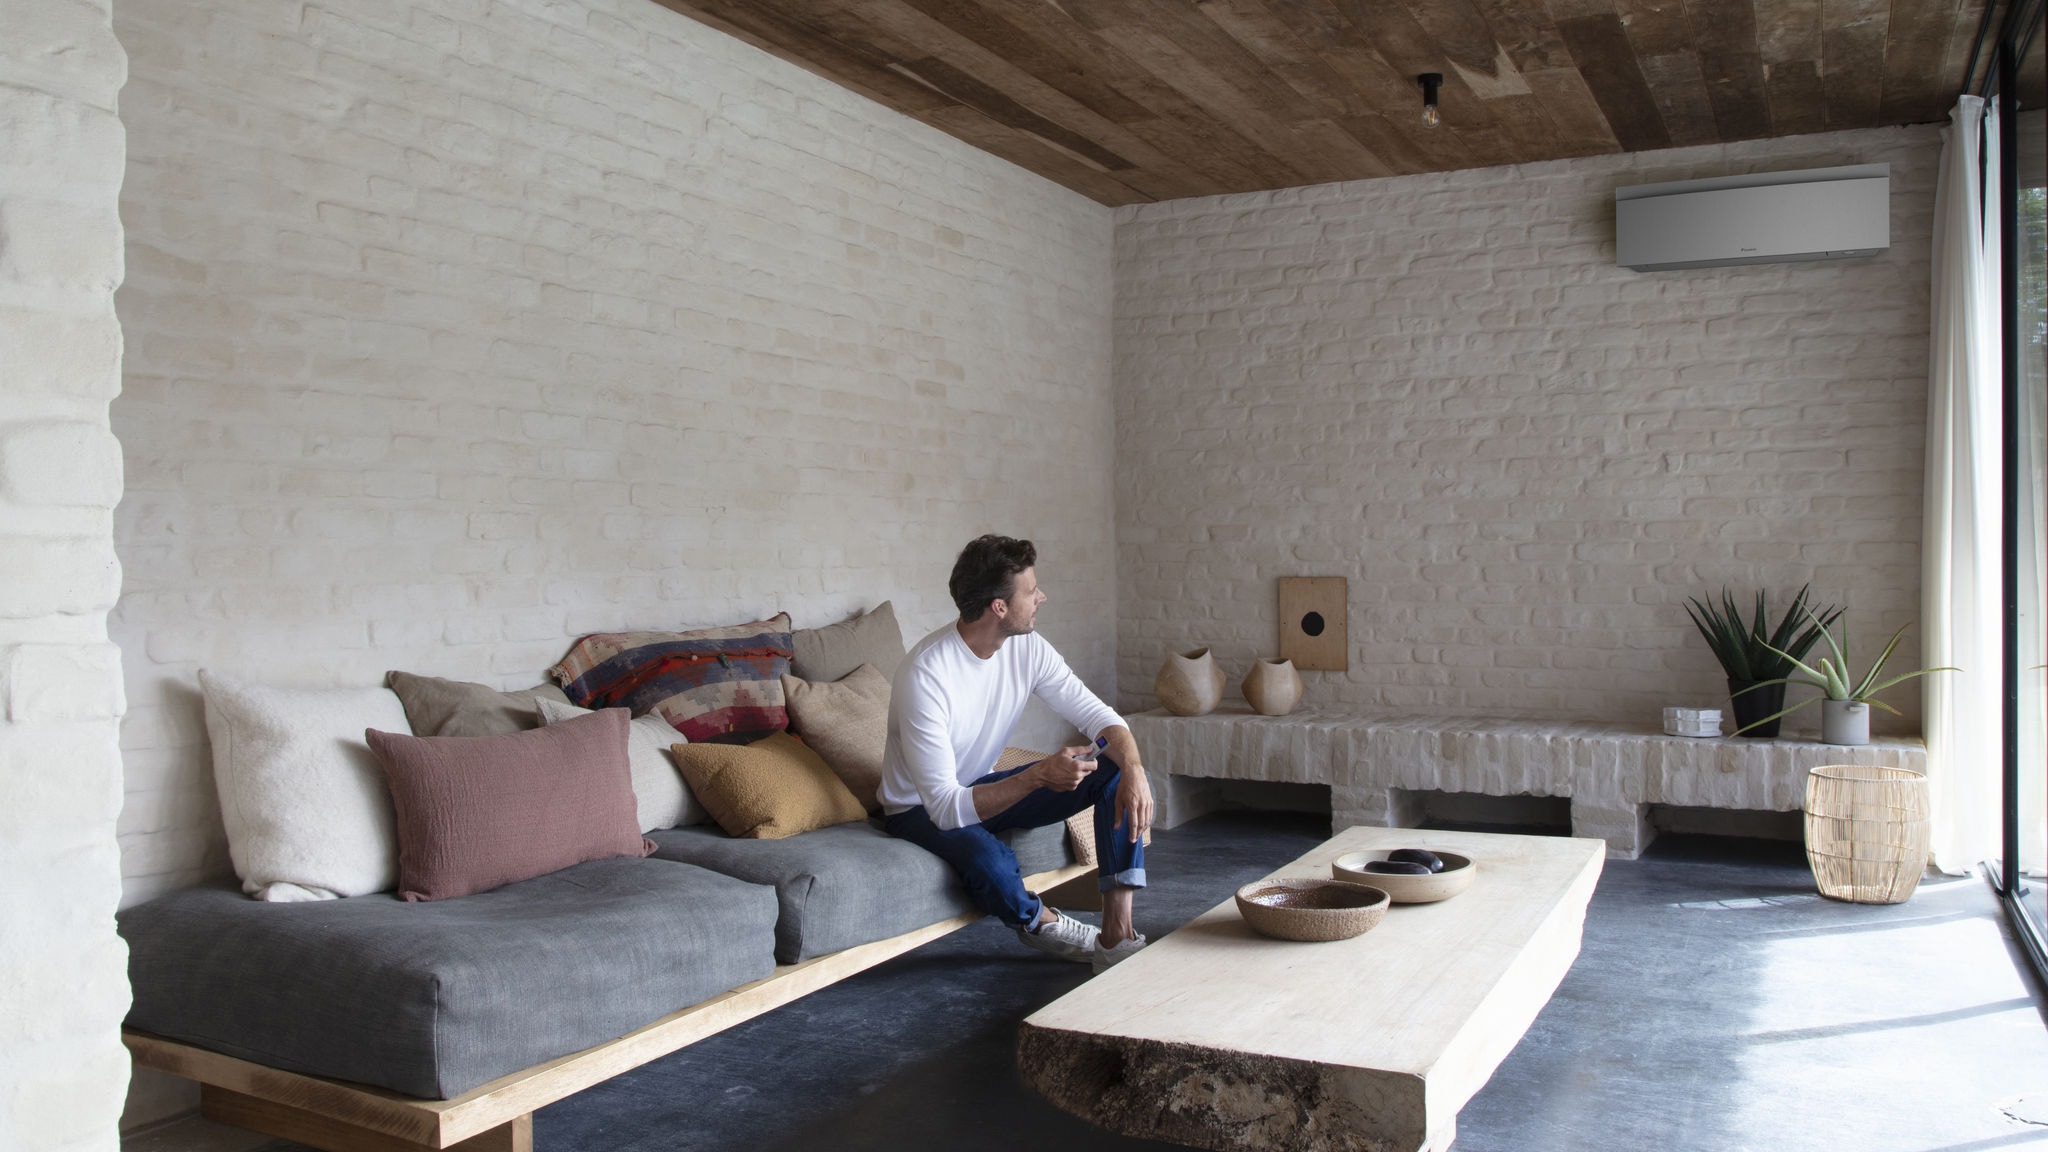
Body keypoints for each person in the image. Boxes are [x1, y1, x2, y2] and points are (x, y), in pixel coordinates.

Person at [878, 535, 1154, 973]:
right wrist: (1038, 776)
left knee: (1114, 770)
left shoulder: (1027, 647)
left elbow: (1098, 716)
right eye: (1031, 591)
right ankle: (1043, 922)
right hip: (920, 808)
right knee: (989, 861)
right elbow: (947, 809)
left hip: (980, 787)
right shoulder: (926, 674)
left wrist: (1135, 768)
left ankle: (1117, 936)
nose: (1041, 596)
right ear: (999, 607)